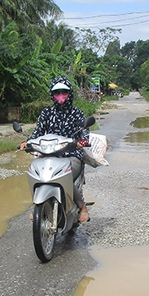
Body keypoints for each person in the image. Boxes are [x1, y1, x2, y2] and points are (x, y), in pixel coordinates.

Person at [19, 76, 91, 223]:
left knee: (64, 175)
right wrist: (27, 142)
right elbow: (37, 133)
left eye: (64, 92)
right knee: (36, 172)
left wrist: (82, 142)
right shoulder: (46, 113)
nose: (60, 96)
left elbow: (84, 133)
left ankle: (82, 206)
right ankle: (37, 204)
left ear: (70, 93)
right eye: (57, 92)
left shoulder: (77, 113)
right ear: (52, 95)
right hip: (48, 153)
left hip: (71, 154)